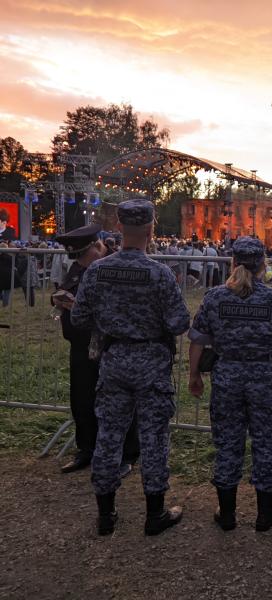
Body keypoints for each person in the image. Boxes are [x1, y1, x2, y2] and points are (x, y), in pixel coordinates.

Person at [71, 199, 190, 537]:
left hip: (114, 361)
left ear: (120, 228)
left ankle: (106, 515)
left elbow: (79, 317)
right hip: (151, 363)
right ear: (151, 229)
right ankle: (155, 514)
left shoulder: (97, 270)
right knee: (153, 437)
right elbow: (180, 321)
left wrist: (110, 321)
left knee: (109, 435)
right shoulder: (159, 273)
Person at [188, 237, 272, 532]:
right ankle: (265, 515)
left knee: (228, 444)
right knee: (266, 444)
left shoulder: (215, 298)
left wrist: (194, 376)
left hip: (227, 378)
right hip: (265, 380)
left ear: (233, 263)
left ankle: (227, 514)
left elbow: (198, 342)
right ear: (263, 265)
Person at [52, 224, 139, 476]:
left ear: (96, 248)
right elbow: (64, 292)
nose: (78, 261)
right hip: (81, 346)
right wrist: (60, 299)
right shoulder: (78, 270)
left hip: (111, 347)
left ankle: (127, 453)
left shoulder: (113, 270)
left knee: (120, 402)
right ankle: (86, 449)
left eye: (82, 254)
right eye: (76, 257)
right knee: (82, 398)